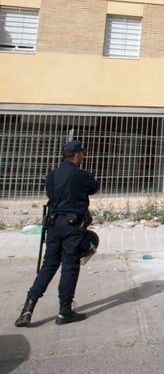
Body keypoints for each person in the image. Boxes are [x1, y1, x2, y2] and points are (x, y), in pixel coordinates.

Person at [15, 140, 100, 327]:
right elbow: (94, 188)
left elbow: (50, 195)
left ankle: (28, 308)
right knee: (70, 266)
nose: (83, 157)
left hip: (53, 225)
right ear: (77, 155)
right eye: (82, 154)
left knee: (49, 265)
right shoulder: (82, 175)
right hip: (73, 227)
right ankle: (64, 310)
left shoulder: (52, 175)